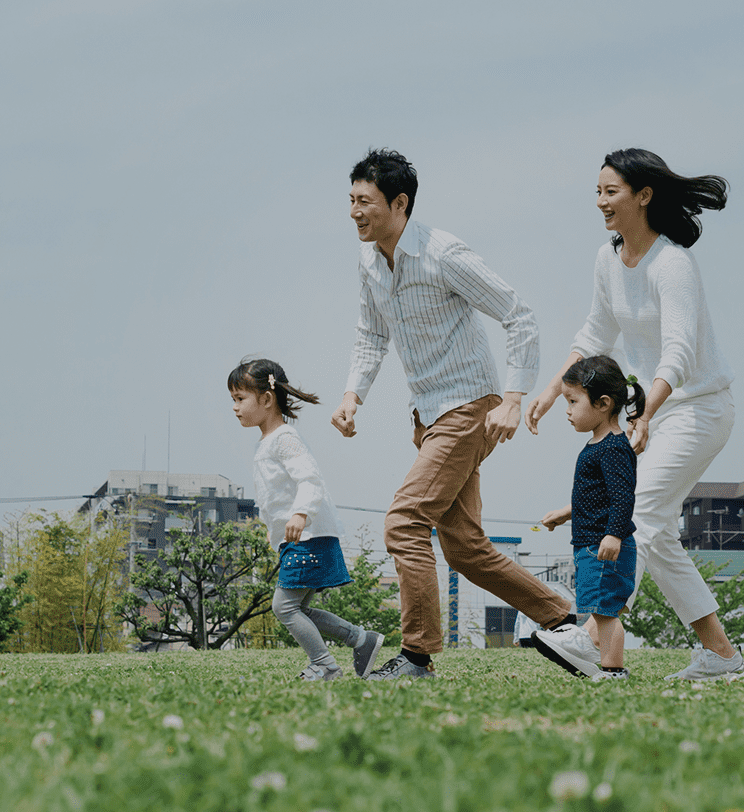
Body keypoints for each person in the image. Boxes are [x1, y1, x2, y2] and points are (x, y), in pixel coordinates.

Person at [331, 147, 586, 680]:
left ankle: (417, 656)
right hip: (428, 415)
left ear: (399, 204)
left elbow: (519, 315)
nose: (355, 211)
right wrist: (354, 393)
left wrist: (514, 397)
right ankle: (564, 620)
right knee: (466, 549)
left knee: (404, 522)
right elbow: (370, 333)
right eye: (350, 200)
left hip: (470, 406)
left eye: (366, 201)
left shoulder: (442, 253)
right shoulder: (369, 260)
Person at [527, 147, 744, 682]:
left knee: (636, 518)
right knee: (658, 535)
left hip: (696, 410)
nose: (601, 202)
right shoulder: (609, 259)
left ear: (643, 196)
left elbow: (679, 353)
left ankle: (589, 635)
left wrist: (644, 413)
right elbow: (594, 333)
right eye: (598, 192)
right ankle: (720, 655)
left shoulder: (672, 264)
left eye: (611, 192)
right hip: (650, 412)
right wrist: (554, 390)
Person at [229, 359, 384, 681]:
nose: (235, 407)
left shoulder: (284, 438)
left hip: (309, 536)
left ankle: (325, 665)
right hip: (300, 539)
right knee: (298, 609)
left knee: (284, 608)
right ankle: (361, 639)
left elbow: (311, 479)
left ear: (267, 399)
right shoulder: (269, 441)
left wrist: (301, 513)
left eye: (240, 398)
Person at [535, 355, 645, 681]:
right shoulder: (597, 445)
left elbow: (623, 497)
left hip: (604, 545)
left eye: (572, 401)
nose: (566, 410)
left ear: (602, 403)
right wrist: (566, 513)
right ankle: (602, 662)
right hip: (592, 544)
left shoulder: (612, 448)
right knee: (603, 611)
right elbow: (599, 497)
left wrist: (613, 534)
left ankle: (607, 665)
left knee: (604, 613)